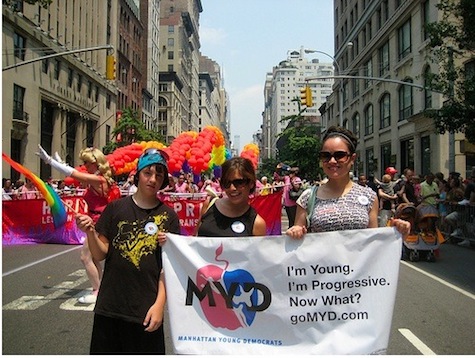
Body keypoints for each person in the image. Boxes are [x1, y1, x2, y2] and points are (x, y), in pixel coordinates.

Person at [75, 148, 180, 354]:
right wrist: (90, 232)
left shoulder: (169, 217)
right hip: (109, 308)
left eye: (159, 175)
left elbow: (168, 270)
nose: (153, 180)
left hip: (146, 311)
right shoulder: (115, 209)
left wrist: (159, 305)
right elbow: (100, 254)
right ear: (137, 175)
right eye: (147, 173)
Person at [285, 126, 410, 238]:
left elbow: (373, 241)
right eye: (326, 156)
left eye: (340, 155)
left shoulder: (369, 196)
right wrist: (295, 231)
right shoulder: (307, 197)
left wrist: (395, 229)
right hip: (322, 264)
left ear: (352, 158)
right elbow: (298, 238)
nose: (332, 161)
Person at [36, 145, 120, 304]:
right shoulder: (99, 179)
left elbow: (74, 174)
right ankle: (100, 288)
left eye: (88, 163)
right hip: (97, 221)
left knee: (85, 257)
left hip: (97, 223)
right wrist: (60, 162)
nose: (86, 166)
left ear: (96, 163)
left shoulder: (99, 180)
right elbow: (75, 173)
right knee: (94, 258)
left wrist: (50, 162)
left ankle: (97, 292)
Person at [195, 157, 266, 237]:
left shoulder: (257, 224)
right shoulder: (209, 205)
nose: (232, 188)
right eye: (227, 183)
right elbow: (194, 241)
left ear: (251, 183)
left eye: (239, 182)